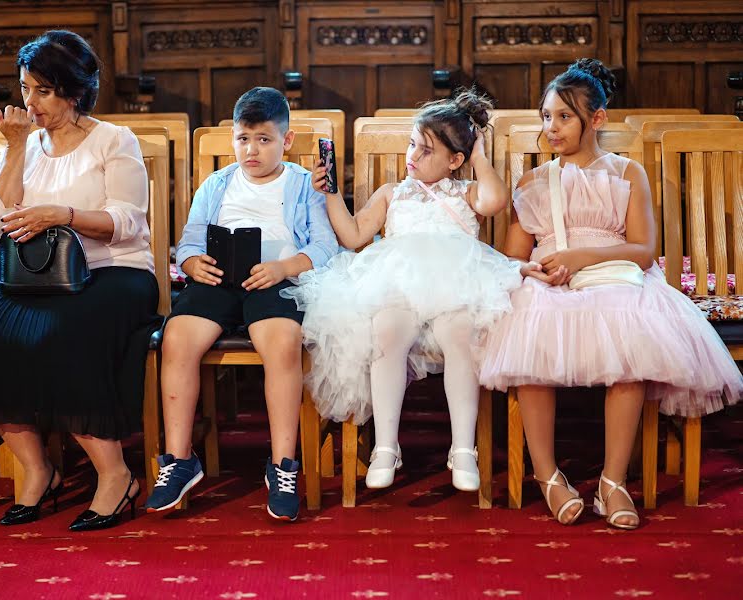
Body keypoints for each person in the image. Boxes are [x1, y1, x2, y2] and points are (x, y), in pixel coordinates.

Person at [478, 58, 742, 529]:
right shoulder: (534, 183)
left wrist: (582, 257)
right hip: (552, 282)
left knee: (630, 334)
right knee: (530, 328)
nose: (551, 128)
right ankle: (547, 475)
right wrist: (536, 271)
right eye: (545, 116)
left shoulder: (627, 174)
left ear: (596, 119)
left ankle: (612, 480)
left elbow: (643, 250)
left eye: (563, 117)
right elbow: (513, 257)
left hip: (613, 275)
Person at [0, 30, 161, 532]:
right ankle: (38, 471)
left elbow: (128, 221)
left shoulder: (114, 139)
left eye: (43, 91)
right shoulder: (25, 144)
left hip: (114, 271)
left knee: (65, 335)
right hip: (38, 276)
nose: (30, 102)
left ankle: (115, 477)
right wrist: (13, 150)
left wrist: (62, 214)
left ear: (75, 91)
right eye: (26, 88)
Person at [284, 90, 522, 492]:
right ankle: (385, 446)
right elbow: (355, 233)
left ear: (455, 161)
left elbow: (496, 199)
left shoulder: (463, 193)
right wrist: (328, 196)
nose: (413, 155)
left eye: (426, 151)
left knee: (460, 336)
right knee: (387, 334)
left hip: (456, 285)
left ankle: (463, 448)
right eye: (413, 144)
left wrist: (479, 155)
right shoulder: (393, 193)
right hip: (395, 285)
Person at [144, 87, 338, 522]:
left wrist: (284, 265)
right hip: (222, 278)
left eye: (264, 139)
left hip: (275, 278)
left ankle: (283, 464)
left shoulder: (304, 184)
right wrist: (194, 264)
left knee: (284, 341)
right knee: (176, 337)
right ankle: (178, 460)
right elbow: (190, 242)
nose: (251, 150)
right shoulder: (216, 184)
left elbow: (325, 246)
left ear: (286, 141)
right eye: (243, 139)